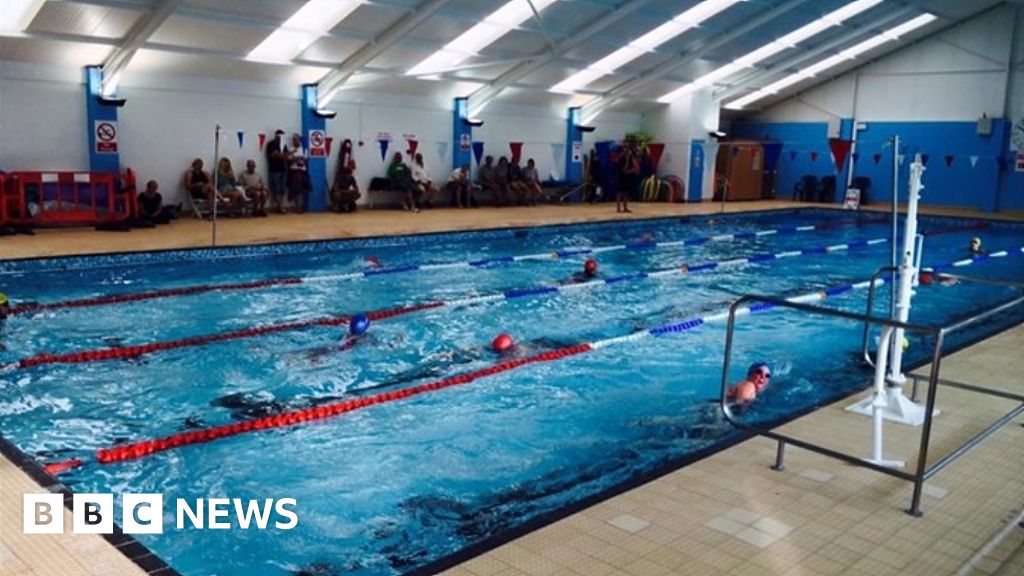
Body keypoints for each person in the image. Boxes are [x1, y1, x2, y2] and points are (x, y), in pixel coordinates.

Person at [285, 133, 308, 214]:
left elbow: (306, 160)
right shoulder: (290, 149)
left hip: (302, 170)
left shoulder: (304, 148)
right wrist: (296, 158)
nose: (294, 141)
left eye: (296, 140)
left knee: (301, 189)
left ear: (299, 140)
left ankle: (300, 206)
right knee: (295, 190)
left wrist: (299, 159)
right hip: (294, 170)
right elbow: (289, 161)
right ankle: (297, 206)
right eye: (293, 140)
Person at [266, 129, 288, 213]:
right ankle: (280, 207)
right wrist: (282, 156)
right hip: (274, 170)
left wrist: (279, 155)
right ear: (276, 136)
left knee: (282, 189)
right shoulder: (270, 145)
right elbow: (273, 155)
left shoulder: (283, 145)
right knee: (276, 188)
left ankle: (281, 205)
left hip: (283, 169)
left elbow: (285, 156)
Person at [617, 143, 640, 213]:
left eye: (628, 148)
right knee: (620, 193)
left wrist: (631, 158)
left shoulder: (630, 157)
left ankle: (625, 207)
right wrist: (632, 170)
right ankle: (618, 208)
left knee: (626, 193)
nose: (627, 150)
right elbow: (624, 170)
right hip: (621, 177)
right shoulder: (621, 158)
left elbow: (635, 166)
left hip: (627, 178)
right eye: (625, 148)